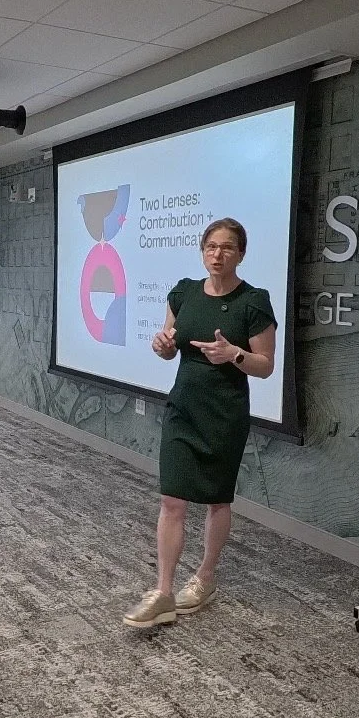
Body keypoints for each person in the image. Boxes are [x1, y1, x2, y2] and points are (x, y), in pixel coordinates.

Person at [124, 218, 277, 628]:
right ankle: (163, 591)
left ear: (240, 254)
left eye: (227, 248)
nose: (218, 254)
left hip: (224, 413)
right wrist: (161, 345)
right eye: (211, 246)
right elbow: (168, 346)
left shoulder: (254, 301)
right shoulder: (185, 292)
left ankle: (206, 577)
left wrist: (235, 355)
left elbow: (265, 366)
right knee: (172, 499)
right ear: (202, 250)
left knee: (216, 499)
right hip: (183, 407)